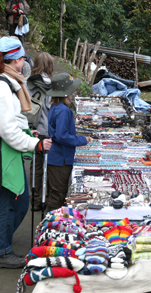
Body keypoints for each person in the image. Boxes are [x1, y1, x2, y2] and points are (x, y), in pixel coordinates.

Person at [0, 37, 51, 268]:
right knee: (8, 201)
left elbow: (14, 121)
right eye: (21, 58)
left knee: (17, 201)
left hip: (9, 152)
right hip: (4, 153)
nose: (23, 62)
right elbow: (8, 130)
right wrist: (34, 144)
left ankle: (1, 245)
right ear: (12, 60)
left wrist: (28, 132)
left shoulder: (9, 82)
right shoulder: (1, 87)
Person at [46, 73, 90, 212]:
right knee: (58, 194)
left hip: (57, 157)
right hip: (61, 158)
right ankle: (51, 224)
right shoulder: (64, 111)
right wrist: (83, 139)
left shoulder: (55, 106)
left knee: (55, 191)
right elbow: (62, 136)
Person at [25, 52, 53, 211]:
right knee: (49, 167)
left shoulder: (27, 83)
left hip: (33, 131)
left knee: (35, 167)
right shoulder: (53, 84)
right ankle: (46, 199)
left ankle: (35, 200)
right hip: (48, 132)